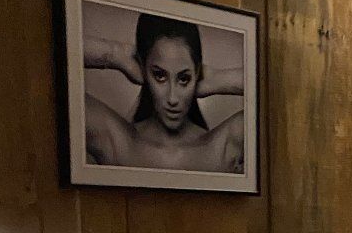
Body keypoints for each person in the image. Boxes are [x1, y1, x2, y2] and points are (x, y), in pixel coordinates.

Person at [83, 14, 244, 172]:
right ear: (142, 68)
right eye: (159, 76)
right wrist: (116, 53)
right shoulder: (116, 141)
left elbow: (267, 85)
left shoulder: (224, 144)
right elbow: (61, 50)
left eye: (184, 78)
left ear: (197, 73)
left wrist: (217, 79)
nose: (172, 98)